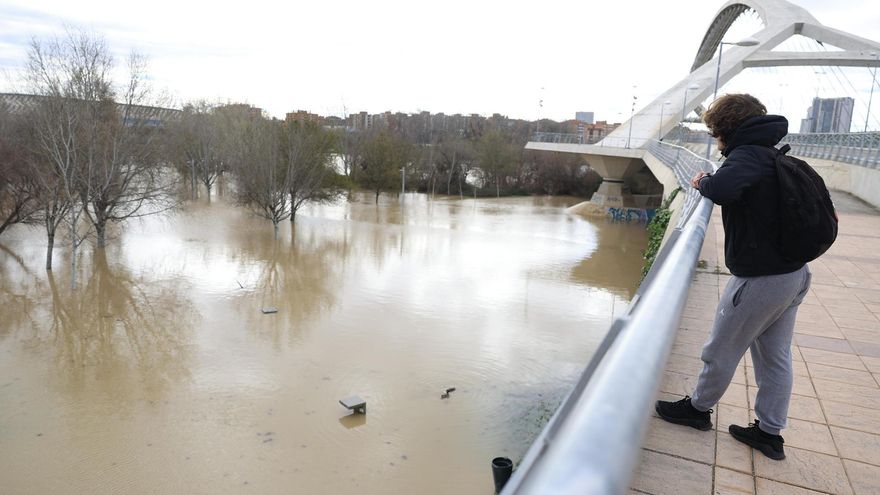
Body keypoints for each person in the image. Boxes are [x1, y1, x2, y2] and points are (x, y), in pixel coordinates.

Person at [654, 94, 812, 461]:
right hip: (794, 274)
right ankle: (770, 434)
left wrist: (702, 181)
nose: (714, 138)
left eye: (714, 131)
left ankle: (697, 410)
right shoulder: (772, 152)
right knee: (775, 357)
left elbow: (723, 190)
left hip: (762, 279)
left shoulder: (747, 155)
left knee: (720, 347)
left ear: (725, 128)